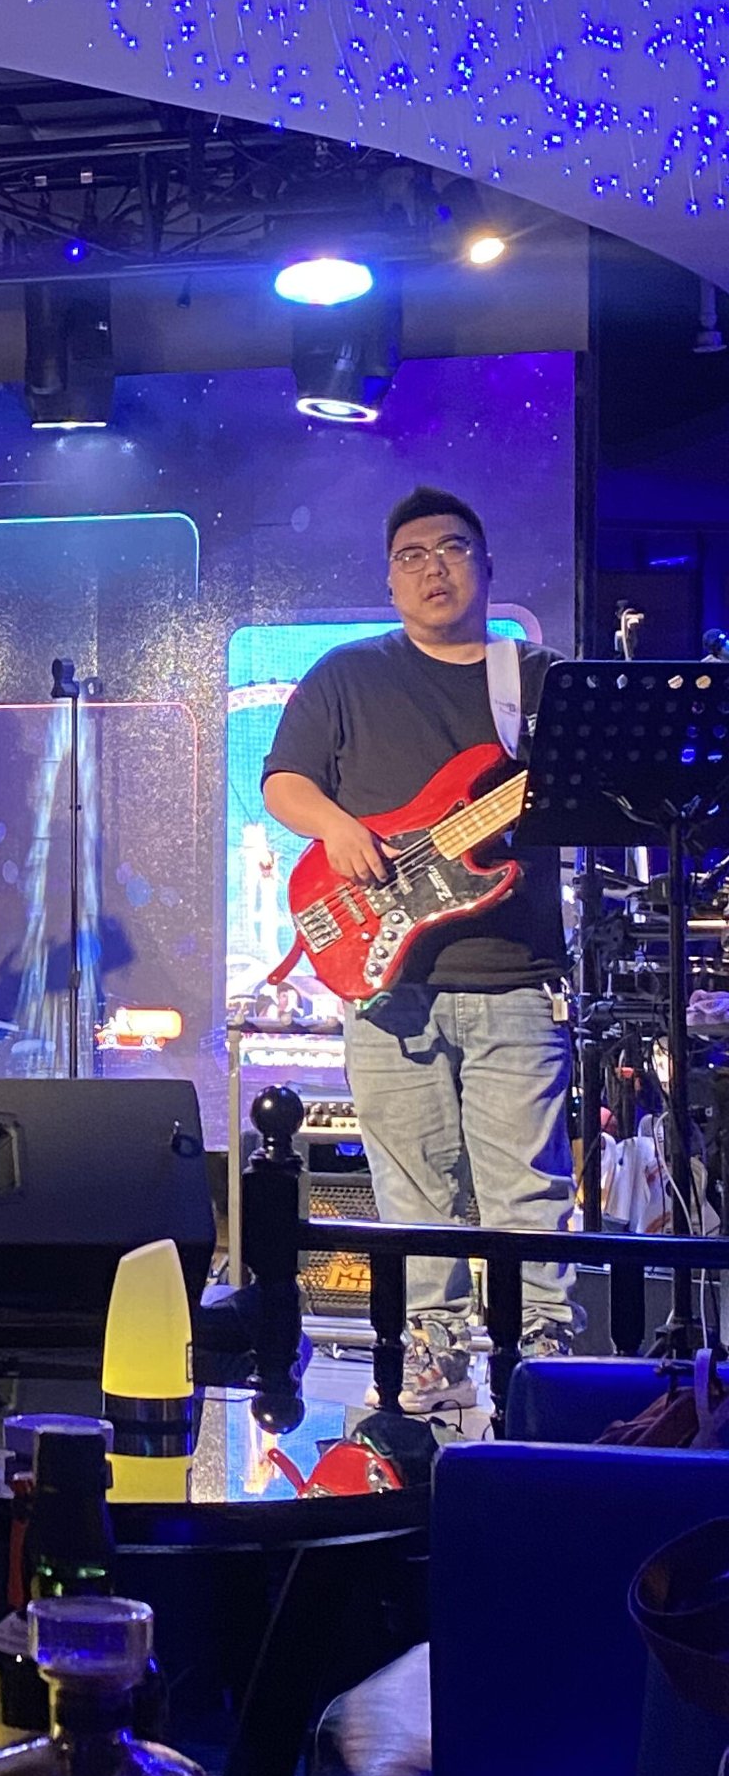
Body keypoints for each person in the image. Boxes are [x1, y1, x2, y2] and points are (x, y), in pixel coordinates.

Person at [261, 488, 578, 1415]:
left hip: (514, 972)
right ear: (390, 578)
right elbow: (284, 781)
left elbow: (589, 796)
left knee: (527, 1191)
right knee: (410, 1192)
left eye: (452, 548)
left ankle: (542, 1365)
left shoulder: (539, 680)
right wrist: (338, 828)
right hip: (388, 978)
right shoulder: (347, 674)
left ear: (488, 564)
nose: (433, 567)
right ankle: (431, 1359)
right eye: (412, 555)